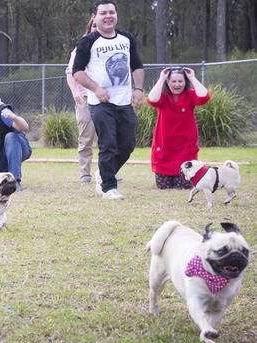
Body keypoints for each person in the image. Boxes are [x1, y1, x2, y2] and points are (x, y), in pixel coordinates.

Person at [72, 0, 145, 200]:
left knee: (128, 144)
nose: (108, 16)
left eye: (111, 12)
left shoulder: (127, 38)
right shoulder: (88, 41)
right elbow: (77, 72)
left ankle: (104, 173)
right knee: (108, 144)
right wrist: (96, 88)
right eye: (103, 13)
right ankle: (108, 187)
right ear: (95, 17)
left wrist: (138, 89)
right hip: (100, 103)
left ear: (116, 15)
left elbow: (137, 65)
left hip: (124, 102)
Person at [147, 66, 210, 189]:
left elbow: (204, 97)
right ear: (168, 82)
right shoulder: (163, 96)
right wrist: (161, 79)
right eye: (173, 81)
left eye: (180, 81)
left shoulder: (190, 95)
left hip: (185, 151)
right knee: (163, 187)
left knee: (183, 187)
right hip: (164, 150)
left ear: (185, 82)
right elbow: (152, 99)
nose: (177, 84)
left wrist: (192, 77)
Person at [66, 16, 97, 184]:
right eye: (94, 25)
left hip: (105, 98)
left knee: (109, 137)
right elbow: (70, 73)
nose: (96, 27)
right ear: (90, 27)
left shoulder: (111, 45)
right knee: (86, 137)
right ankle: (85, 173)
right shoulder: (81, 47)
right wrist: (74, 92)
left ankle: (108, 172)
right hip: (85, 97)